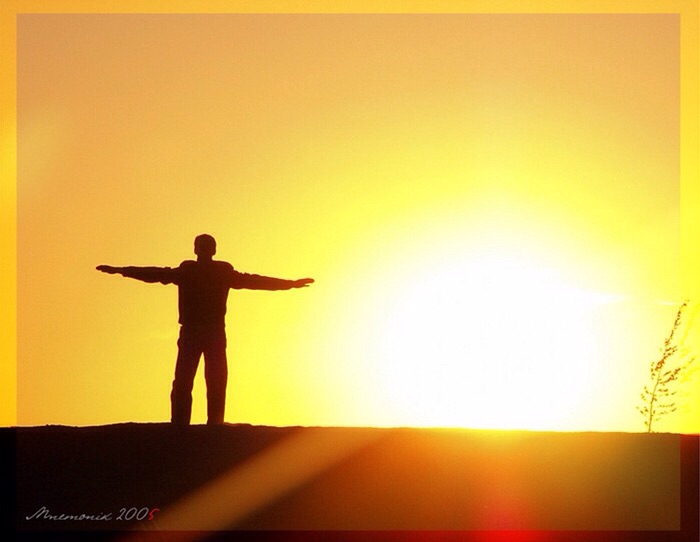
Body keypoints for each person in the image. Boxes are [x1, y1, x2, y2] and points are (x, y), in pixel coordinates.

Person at [97, 234, 314, 425]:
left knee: (209, 379)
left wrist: (289, 283)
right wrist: (123, 271)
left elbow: (254, 281)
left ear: (204, 250)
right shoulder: (191, 270)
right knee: (188, 380)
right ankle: (186, 424)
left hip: (211, 332)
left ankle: (207, 424)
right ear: (202, 250)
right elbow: (156, 274)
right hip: (196, 332)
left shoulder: (214, 271)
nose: (203, 250)